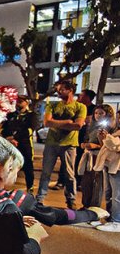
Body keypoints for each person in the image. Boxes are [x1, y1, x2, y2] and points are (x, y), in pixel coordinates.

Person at [36, 80, 86, 208]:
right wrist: (68, 123)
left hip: (69, 144)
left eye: (62, 89)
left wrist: (56, 123)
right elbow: (47, 123)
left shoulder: (80, 107)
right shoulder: (52, 105)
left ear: (70, 90)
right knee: (46, 173)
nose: (59, 91)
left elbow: (78, 125)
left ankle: (71, 200)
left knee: (69, 174)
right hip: (51, 143)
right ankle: (40, 199)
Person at [2, 96, 39, 193]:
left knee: (28, 167)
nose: (18, 103)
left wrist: (16, 138)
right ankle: (4, 188)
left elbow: (30, 129)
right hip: (10, 144)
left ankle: (30, 188)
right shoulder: (11, 115)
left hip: (25, 144)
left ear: (27, 103)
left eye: (21, 101)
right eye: (17, 101)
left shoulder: (32, 115)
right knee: (7, 166)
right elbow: (5, 129)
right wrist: (9, 137)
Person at [79, 105, 114, 208]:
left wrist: (98, 143)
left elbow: (108, 146)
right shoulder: (91, 127)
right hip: (89, 157)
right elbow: (87, 140)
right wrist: (85, 145)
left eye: (101, 113)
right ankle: (85, 205)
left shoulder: (110, 128)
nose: (98, 116)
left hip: (101, 158)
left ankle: (94, 207)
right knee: (86, 183)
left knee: (97, 185)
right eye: (96, 113)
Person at [94, 125, 120, 232]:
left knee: (117, 196)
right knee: (108, 193)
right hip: (109, 164)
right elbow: (106, 146)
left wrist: (107, 138)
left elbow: (116, 147)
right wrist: (103, 138)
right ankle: (110, 217)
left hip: (117, 167)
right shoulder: (115, 130)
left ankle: (117, 221)